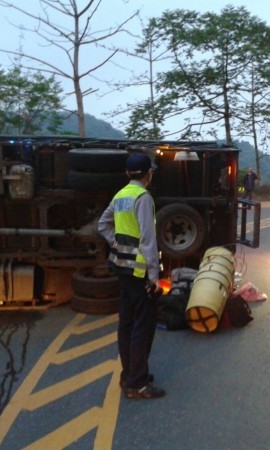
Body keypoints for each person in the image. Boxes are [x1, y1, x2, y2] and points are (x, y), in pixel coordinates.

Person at [97, 152, 165, 400]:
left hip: (121, 269)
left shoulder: (120, 195)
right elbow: (148, 239)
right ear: (149, 174)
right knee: (143, 326)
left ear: (127, 174)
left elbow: (102, 225)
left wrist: (117, 243)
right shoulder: (143, 197)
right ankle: (137, 383)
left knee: (126, 323)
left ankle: (129, 375)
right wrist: (154, 275)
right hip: (138, 271)